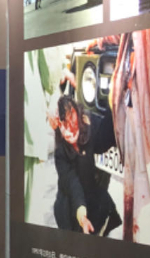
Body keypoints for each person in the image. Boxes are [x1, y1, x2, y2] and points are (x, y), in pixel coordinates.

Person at [50, 89, 122, 237]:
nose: (71, 128)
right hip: (70, 208)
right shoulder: (61, 153)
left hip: (93, 198)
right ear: (59, 125)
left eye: (73, 123)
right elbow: (73, 185)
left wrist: (114, 100)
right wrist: (82, 216)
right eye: (66, 124)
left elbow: (104, 138)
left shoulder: (89, 124)